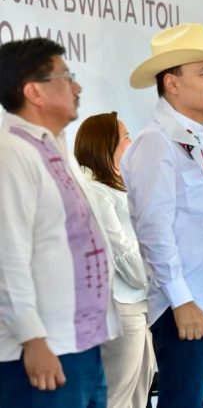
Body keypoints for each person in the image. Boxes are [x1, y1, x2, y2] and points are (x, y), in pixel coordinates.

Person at [121, 22, 203, 408]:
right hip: (189, 308)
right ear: (172, 83)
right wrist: (180, 301)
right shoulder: (155, 142)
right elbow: (154, 231)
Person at [0, 38, 120, 407]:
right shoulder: (10, 152)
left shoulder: (53, 145)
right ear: (33, 91)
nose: (77, 87)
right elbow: (7, 256)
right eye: (66, 77)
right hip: (40, 351)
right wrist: (32, 340)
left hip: (80, 344)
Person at [75, 112, 156, 408]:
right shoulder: (95, 192)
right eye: (125, 137)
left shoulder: (118, 188)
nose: (131, 143)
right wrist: (158, 278)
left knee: (139, 391)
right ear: (105, 145)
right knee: (117, 397)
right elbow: (122, 250)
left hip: (140, 305)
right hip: (121, 308)